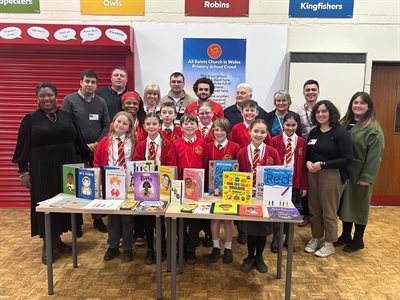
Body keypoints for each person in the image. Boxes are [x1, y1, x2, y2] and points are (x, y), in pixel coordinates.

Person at [13, 82, 89, 265]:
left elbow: (79, 141)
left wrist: (86, 163)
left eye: (50, 95)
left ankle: (58, 240)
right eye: (42, 96)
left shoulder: (68, 116)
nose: (46, 99)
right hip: (42, 169)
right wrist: (23, 172)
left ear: (56, 96)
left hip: (68, 167)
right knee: (46, 203)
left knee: (67, 202)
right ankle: (47, 243)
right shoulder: (30, 119)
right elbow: (22, 148)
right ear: (37, 98)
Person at [62, 70, 110, 233]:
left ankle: (97, 218)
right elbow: (66, 124)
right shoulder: (69, 100)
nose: (90, 85)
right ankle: (76, 223)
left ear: (96, 85)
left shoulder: (101, 102)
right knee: (74, 185)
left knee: (95, 184)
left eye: (93, 82)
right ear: (80, 82)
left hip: (95, 150)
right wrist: (83, 144)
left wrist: (97, 143)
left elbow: (106, 124)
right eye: (87, 81)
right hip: (75, 150)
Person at [304, 100, 353, 258]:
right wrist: (308, 162)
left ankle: (330, 242)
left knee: (329, 210)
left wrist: (323, 164)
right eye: (318, 112)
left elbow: (347, 159)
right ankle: (316, 237)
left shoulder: (341, 132)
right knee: (314, 208)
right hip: (313, 173)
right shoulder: (314, 132)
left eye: (324, 111)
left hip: (332, 174)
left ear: (331, 113)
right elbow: (308, 153)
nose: (320, 114)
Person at [336, 92, 384, 252]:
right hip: (344, 172)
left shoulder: (373, 128)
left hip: (360, 173)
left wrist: (367, 176)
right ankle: (345, 235)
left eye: (362, 103)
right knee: (346, 205)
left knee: (359, 205)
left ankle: (358, 239)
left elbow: (375, 156)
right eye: (355, 102)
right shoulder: (344, 122)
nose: (358, 105)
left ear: (368, 107)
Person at [237, 119, 281, 273]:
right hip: (248, 197)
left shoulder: (272, 152)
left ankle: (259, 257)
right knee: (251, 228)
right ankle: (250, 256)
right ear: (249, 132)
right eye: (256, 131)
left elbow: (278, 174)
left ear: (267, 133)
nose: (259, 134)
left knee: (262, 228)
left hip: (265, 197)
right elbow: (237, 175)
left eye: (262, 132)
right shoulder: (242, 152)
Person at [133, 112, 176, 264]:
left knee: (161, 219)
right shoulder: (140, 144)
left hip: (162, 188)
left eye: (154, 124)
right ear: (144, 127)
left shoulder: (167, 144)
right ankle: (150, 248)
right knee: (148, 219)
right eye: (148, 124)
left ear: (159, 125)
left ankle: (163, 247)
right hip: (146, 187)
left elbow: (171, 165)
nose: (151, 127)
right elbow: (136, 164)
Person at [93, 111, 135, 261]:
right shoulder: (105, 141)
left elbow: (136, 161)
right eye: (118, 122)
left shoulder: (133, 141)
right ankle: (113, 246)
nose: (121, 125)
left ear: (129, 127)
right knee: (113, 217)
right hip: (110, 184)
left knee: (127, 218)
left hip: (128, 184)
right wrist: (100, 183)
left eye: (125, 123)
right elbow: (97, 162)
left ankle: (128, 247)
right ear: (113, 123)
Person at [265, 90, 301, 252]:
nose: (281, 103)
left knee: (290, 210)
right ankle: (276, 239)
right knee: (277, 209)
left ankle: (288, 239)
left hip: (293, 176)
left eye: (284, 100)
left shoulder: (294, 120)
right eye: (278, 100)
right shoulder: (269, 119)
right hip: (277, 176)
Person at [173, 113, 208, 264]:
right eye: (186, 123)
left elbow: (205, 163)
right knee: (181, 221)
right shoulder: (175, 144)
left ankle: (191, 249)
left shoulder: (202, 143)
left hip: (197, 189)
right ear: (181, 127)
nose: (189, 126)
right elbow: (172, 165)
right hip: (180, 189)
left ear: (197, 126)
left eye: (192, 124)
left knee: (194, 221)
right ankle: (182, 246)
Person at [270, 112, 308, 252]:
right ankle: (275, 239)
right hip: (278, 183)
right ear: (283, 125)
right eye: (287, 125)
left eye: (293, 125)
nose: (290, 128)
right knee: (276, 212)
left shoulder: (302, 142)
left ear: (297, 125)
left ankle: (288, 239)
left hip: (294, 183)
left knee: (291, 213)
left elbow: (304, 166)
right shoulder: (275, 140)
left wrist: (303, 185)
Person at [206, 118, 240, 264]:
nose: (219, 133)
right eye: (216, 130)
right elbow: (206, 169)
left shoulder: (235, 147)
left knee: (228, 219)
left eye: (222, 130)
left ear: (228, 132)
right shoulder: (208, 147)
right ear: (213, 131)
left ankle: (228, 247)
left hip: (229, 191)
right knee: (214, 218)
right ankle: (215, 246)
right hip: (213, 191)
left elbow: (237, 171)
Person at [120, 91, 147, 245]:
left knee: (141, 199)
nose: (131, 106)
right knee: (126, 202)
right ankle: (125, 234)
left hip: (142, 166)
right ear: (123, 105)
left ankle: (140, 233)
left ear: (139, 105)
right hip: (124, 166)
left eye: (134, 103)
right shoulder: (118, 121)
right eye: (128, 103)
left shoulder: (144, 121)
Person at [295, 79, 320, 227]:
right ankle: (307, 214)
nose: (311, 92)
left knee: (317, 185)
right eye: (308, 90)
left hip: (320, 150)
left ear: (318, 92)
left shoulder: (324, 110)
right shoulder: (298, 111)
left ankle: (317, 214)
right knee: (305, 181)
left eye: (313, 89)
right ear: (304, 92)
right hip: (304, 150)